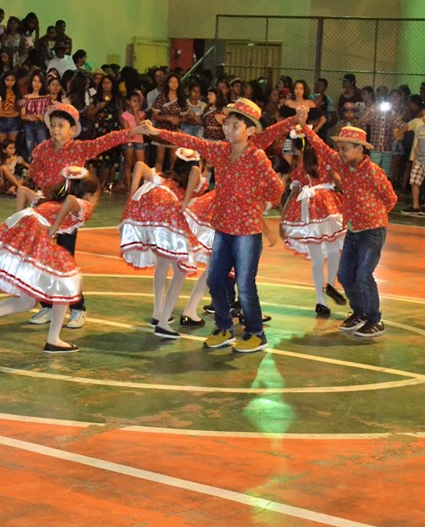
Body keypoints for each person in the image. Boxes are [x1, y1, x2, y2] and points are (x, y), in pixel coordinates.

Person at [140, 98, 301, 352]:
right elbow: (191, 141)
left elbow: (276, 188)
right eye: (226, 123)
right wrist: (158, 131)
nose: (227, 128)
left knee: (245, 284)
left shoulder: (257, 157)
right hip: (223, 228)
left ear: (249, 131)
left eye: (234, 125)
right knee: (215, 280)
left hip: (247, 232)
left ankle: (256, 333)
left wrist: (251, 197)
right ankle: (224, 328)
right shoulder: (220, 152)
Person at [0, 168, 101, 354]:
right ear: (89, 193)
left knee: (28, 301)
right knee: (65, 280)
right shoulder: (84, 205)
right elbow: (71, 201)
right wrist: (53, 228)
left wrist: (23, 223)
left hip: (25, 229)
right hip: (35, 232)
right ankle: (53, 339)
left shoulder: (50, 201)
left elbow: (22, 191)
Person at [27, 105, 135, 329]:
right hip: (47, 208)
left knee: (65, 260)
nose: (56, 130)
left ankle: (77, 308)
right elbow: (34, 170)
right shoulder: (42, 149)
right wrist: (46, 185)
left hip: (68, 212)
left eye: (61, 126)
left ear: (72, 129)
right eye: (53, 125)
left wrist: (130, 133)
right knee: (41, 259)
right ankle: (46, 304)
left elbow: (105, 141)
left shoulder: (79, 149)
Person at [296, 121, 398, 338]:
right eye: (340, 148)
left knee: (363, 274)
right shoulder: (342, 165)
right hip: (353, 228)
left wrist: (375, 214)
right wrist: (305, 128)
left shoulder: (374, 172)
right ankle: (359, 312)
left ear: (359, 148)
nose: (340, 152)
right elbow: (322, 148)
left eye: (345, 148)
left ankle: (374, 319)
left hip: (372, 230)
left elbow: (391, 198)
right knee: (344, 274)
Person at [267, 114, 347, 317]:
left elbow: (293, 192)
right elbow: (338, 181)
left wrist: (284, 220)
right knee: (332, 249)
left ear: (297, 147)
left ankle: (321, 301)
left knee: (318, 258)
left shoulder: (298, 169)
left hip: (306, 211)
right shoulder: (323, 162)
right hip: (328, 207)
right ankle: (330, 284)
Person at [120, 151, 202, 338]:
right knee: (181, 270)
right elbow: (196, 171)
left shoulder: (162, 177)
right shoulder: (194, 178)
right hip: (168, 215)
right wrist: (186, 201)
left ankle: (158, 313)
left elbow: (140, 164)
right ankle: (164, 323)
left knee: (163, 263)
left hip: (147, 213)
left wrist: (132, 194)